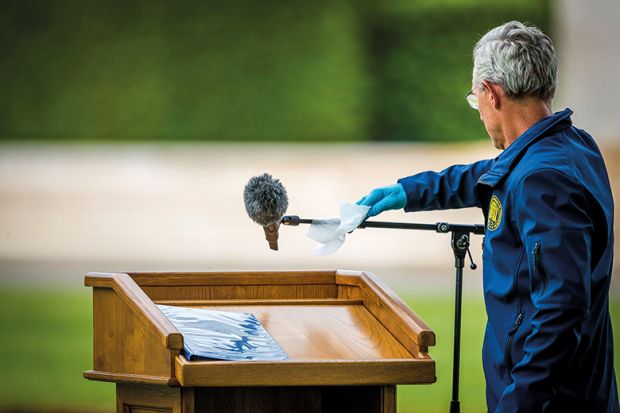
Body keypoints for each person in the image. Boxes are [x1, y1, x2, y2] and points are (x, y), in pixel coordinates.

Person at [358, 21, 619, 412]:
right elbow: (492, 176)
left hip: (548, 402)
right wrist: (407, 192)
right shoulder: (571, 146)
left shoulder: (542, 179)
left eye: (474, 98)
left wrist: (517, 404)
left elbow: (561, 314)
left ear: (492, 94)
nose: (478, 111)